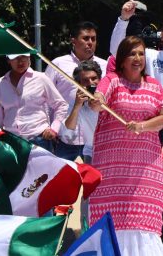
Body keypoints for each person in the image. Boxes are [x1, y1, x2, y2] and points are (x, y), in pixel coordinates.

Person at [110, 0, 163, 253]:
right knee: (154, 188)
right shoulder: (148, 57)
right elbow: (118, 51)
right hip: (152, 130)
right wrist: (124, 20)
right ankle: (155, 239)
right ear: (161, 35)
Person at [88, 36, 163, 255]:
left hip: (147, 170)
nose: (137, 58)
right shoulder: (112, 80)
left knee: (143, 224)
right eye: (132, 54)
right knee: (112, 224)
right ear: (122, 59)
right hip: (111, 171)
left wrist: (142, 126)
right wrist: (97, 101)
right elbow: (98, 100)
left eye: (141, 53)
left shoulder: (154, 85)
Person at [45, 21, 107, 161]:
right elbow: (45, 99)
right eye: (85, 38)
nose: (90, 42)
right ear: (73, 40)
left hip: (95, 140)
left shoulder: (105, 66)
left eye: (93, 39)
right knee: (63, 182)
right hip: (64, 139)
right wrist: (50, 129)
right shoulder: (58, 64)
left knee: (95, 182)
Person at [0, 53, 68, 152]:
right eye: (15, 58)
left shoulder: (41, 78)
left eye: (23, 57)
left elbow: (61, 104)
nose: (20, 61)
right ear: (8, 60)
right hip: (11, 141)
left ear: (29, 58)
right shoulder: (0, 84)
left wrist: (54, 129)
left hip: (39, 139)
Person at [61, 60, 102, 231]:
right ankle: (86, 233)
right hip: (91, 154)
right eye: (85, 81)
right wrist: (78, 106)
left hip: (112, 154)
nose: (91, 83)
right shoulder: (76, 104)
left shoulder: (109, 98)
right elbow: (67, 133)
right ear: (78, 84)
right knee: (89, 199)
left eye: (94, 79)